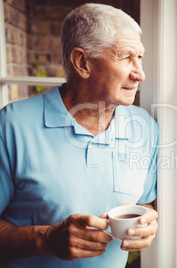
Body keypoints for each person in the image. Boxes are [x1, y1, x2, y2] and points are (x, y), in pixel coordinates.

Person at [0, 3, 158, 267]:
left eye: (140, 57)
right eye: (126, 57)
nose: (140, 73)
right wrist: (46, 239)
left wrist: (148, 224)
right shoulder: (11, 125)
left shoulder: (145, 126)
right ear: (82, 62)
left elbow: (145, 204)